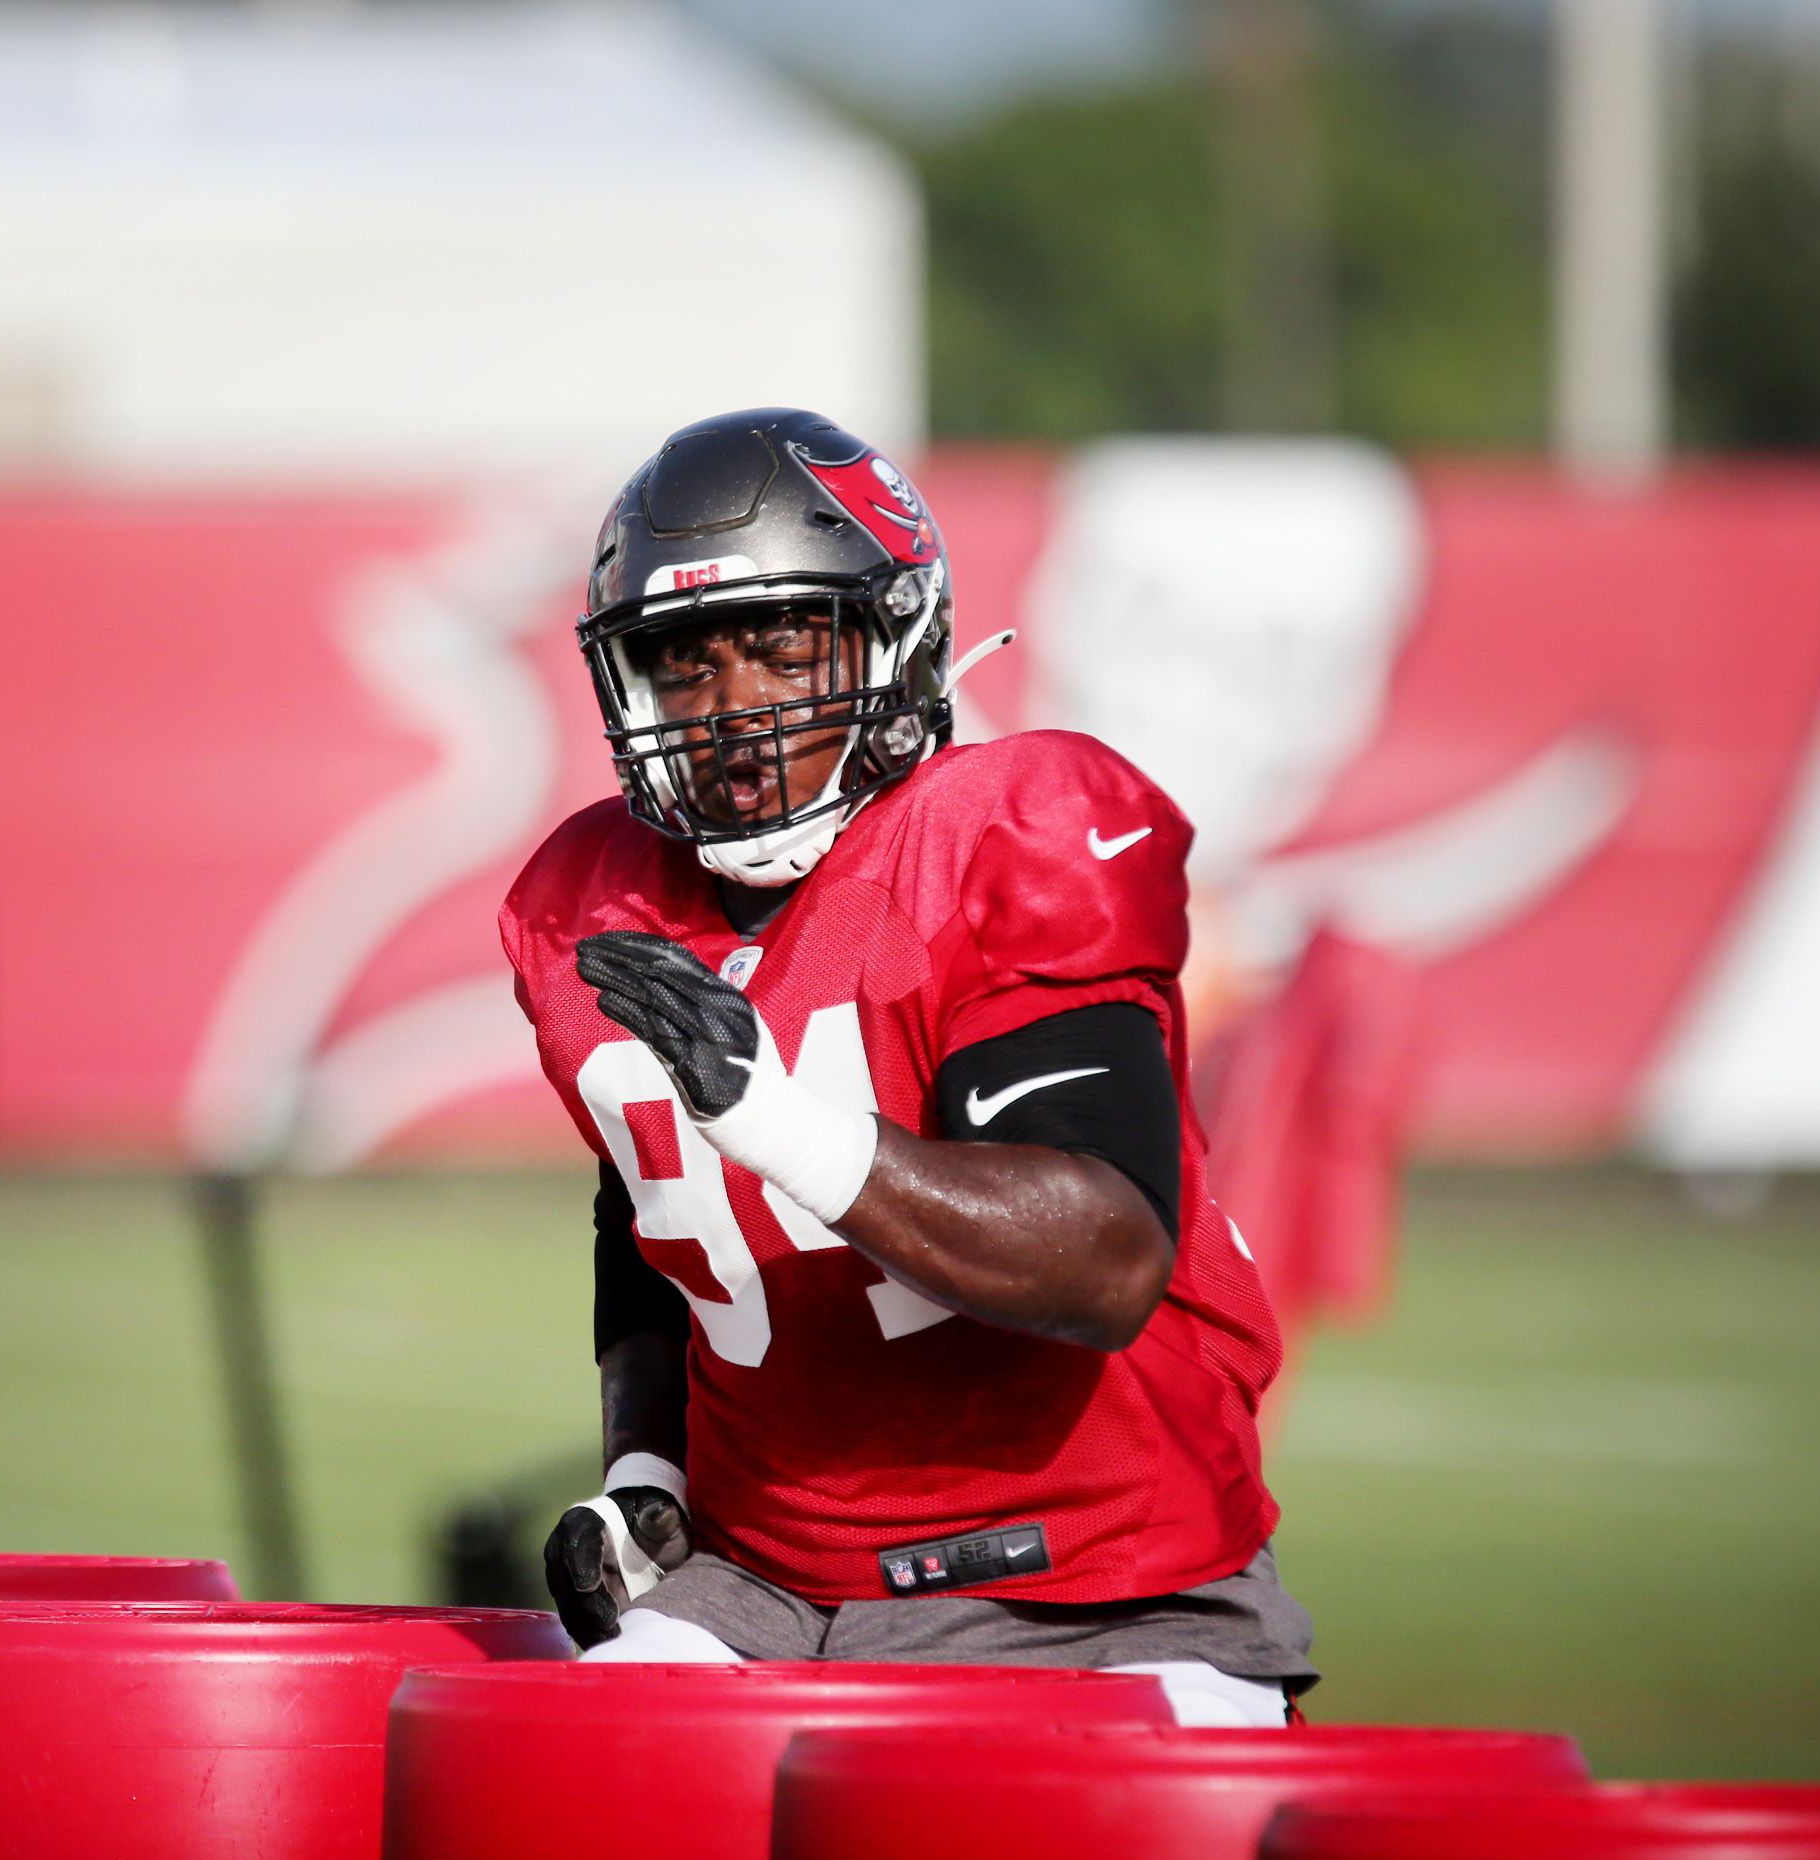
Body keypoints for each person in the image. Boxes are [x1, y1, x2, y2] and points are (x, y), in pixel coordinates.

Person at [502, 408, 1314, 1725]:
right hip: (763, 1582)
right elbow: (643, 1203)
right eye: (682, 664)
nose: (731, 712)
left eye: (780, 646)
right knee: (564, 1850)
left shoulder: (1006, 835)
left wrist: (772, 1115)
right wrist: (650, 1469)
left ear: (896, 637)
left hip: (1094, 1594)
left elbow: (1103, 1259)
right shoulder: (590, 902)